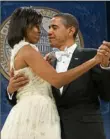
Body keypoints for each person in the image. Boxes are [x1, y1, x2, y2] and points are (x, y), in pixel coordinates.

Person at [5, 11, 110, 139]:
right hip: (43, 125)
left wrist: (104, 66)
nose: (47, 32)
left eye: (54, 27)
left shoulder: (91, 55)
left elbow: (107, 95)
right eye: (46, 27)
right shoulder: (38, 56)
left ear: (71, 31)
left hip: (85, 132)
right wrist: (10, 90)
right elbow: (52, 82)